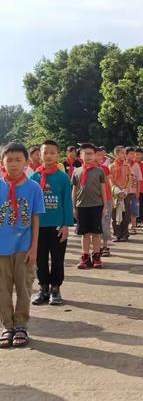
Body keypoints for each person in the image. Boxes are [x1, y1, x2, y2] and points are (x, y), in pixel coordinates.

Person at [0, 143, 45, 348]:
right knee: (2, 289)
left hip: (24, 248)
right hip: (2, 248)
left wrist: (34, 248)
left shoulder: (33, 187)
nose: (14, 164)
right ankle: (7, 326)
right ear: (2, 163)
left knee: (24, 288)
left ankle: (21, 325)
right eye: (9, 160)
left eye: (18, 160)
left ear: (27, 162)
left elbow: (36, 220)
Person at [31, 140, 74, 306]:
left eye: (52, 152)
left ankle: (55, 287)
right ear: (39, 155)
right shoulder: (34, 177)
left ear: (57, 155)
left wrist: (66, 225)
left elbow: (67, 203)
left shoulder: (63, 178)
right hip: (38, 226)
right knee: (40, 259)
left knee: (57, 258)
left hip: (57, 226)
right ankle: (43, 288)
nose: (48, 155)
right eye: (45, 152)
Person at [72, 143, 107, 269]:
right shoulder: (76, 171)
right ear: (80, 155)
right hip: (81, 206)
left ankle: (97, 256)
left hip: (96, 205)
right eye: (85, 153)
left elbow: (103, 189)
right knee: (84, 233)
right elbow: (74, 190)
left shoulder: (99, 171)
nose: (88, 156)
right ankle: (85, 257)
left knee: (96, 233)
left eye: (90, 153)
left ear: (94, 155)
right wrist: (74, 207)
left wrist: (105, 206)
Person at [110, 146, 131, 242]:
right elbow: (111, 181)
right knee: (115, 215)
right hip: (115, 194)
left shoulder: (127, 166)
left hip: (125, 193)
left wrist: (125, 190)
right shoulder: (111, 167)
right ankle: (117, 234)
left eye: (124, 153)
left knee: (125, 214)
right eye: (122, 153)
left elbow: (129, 179)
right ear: (116, 154)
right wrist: (118, 191)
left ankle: (125, 233)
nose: (124, 155)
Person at [96, 149, 113, 257]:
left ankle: (105, 246)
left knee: (105, 223)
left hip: (106, 199)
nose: (101, 157)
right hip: (93, 200)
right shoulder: (86, 169)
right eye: (98, 155)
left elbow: (109, 183)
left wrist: (111, 198)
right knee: (94, 225)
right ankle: (94, 249)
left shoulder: (105, 168)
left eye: (102, 155)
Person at [126, 147, 142, 235]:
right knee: (125, 210)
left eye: (134, 154)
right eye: (131, 154)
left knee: (133, 210)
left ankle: (133, 227)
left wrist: (138, 192)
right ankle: (125, 228)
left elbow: (139, 180)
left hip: (133, 191)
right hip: (124, 192)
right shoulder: (123, 164)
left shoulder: (136, 165)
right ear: (126, 154)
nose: (133, 156)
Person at [135, 147, 143, 226]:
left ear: (142, 155)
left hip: (141, 187)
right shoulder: (130, 164)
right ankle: (134, 219)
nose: (137, 156)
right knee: (133, 204)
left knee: (140, 203)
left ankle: (140, 219)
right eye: (136, 154)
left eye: (139, 154)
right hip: (132, 188)